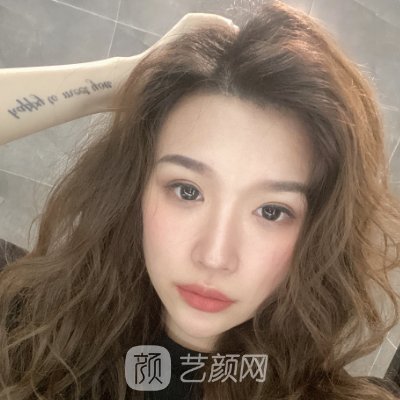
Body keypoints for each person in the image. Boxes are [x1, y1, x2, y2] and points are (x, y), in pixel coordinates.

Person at [0, 1, 399, 399]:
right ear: (136, 189)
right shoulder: (37, 329)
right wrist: (121, 78)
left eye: (271, 211)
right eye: (188, 191)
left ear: (318, 228)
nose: (214, 256)